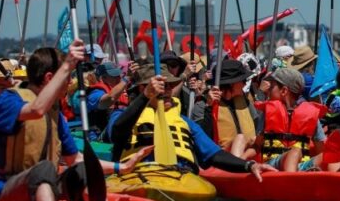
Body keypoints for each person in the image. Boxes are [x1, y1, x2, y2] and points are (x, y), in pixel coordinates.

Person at [0, 43, 149, 201]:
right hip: (2, 189)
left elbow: (75, 159)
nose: (69, 83)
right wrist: (67, 64)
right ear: (50, 79)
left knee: (83, 168)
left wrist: (122, 167)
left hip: (41, 186)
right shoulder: (7, 101)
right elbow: (35, 110)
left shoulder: (54, 115)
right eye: (67, 77)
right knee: (43, 168)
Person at [111, 60, 276, 181]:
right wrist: (145, 96)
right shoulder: (122, 116)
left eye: (170, 86)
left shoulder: (184, 122)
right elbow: (117, 132)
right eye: (163, 87)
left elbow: (214, 155)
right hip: (138, 176)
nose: (168, 91)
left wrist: (249, 165)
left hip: (181, 177)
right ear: (143, 88)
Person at [255, 68, 340, 172]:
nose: (268, 90)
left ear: (284, 91)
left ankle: (335, 182)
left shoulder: (309, 114)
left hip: (299, 166)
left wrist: (335, 159)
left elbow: (321, 150)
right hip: (273, 166)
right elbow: (257, 145)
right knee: (295, 152)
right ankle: (293, 183)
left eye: (271, 86)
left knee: (333, 155)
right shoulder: (267, 112)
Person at [205, 59, 261, 159]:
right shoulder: (204, 104)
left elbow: (258, 126)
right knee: (240, 138)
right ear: (231, 84)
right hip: (223, 160)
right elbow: (203, 139)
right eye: (243, 80)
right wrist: (209, 107)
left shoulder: (245, 102)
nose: (245, 84)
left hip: (249, 156)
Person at [85, 61, 129, 141]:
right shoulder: (95, 92)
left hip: (121, 131)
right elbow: (110, 99)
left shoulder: (123, 89)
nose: (118, 78)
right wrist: (125, 81)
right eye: (114, 76)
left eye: (118, 75)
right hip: (99, 138)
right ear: (103, 78)